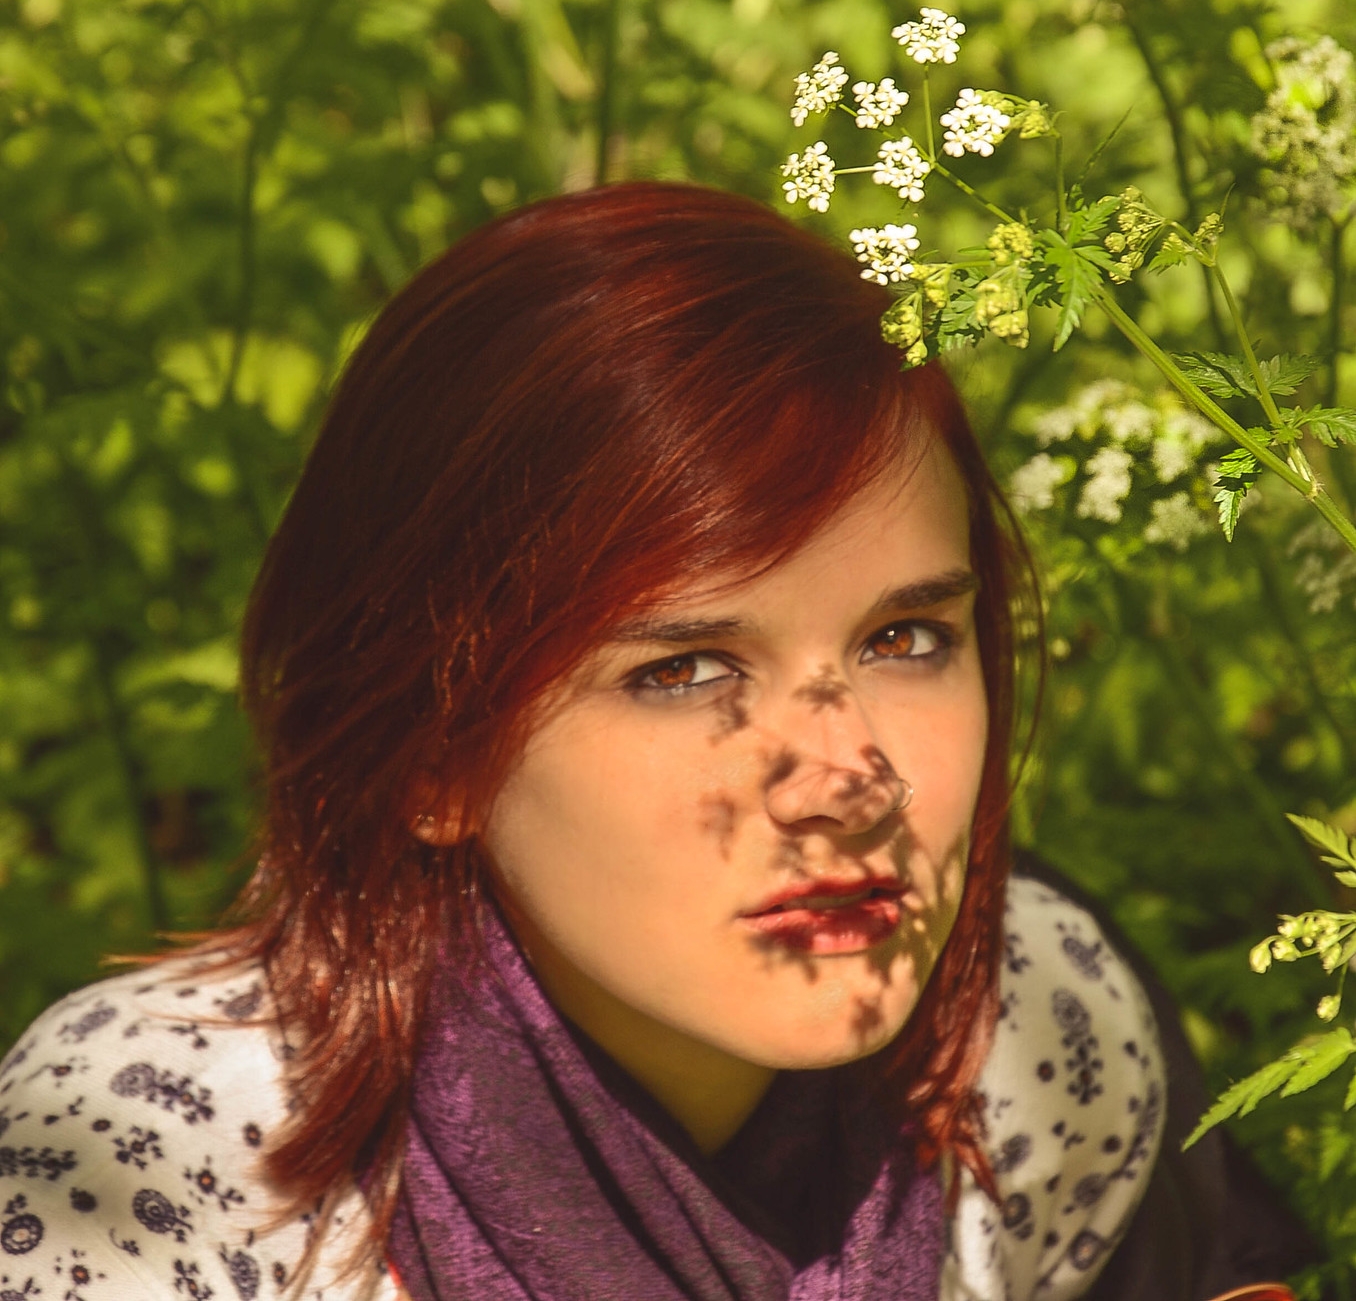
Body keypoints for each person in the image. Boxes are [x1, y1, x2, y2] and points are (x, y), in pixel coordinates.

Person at [0, 184, 1312, 1301]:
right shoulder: (152, 1183)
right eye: (682, 671)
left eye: (906, 638)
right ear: (431, 753)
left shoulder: (1037, 1032)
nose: (849, 778)